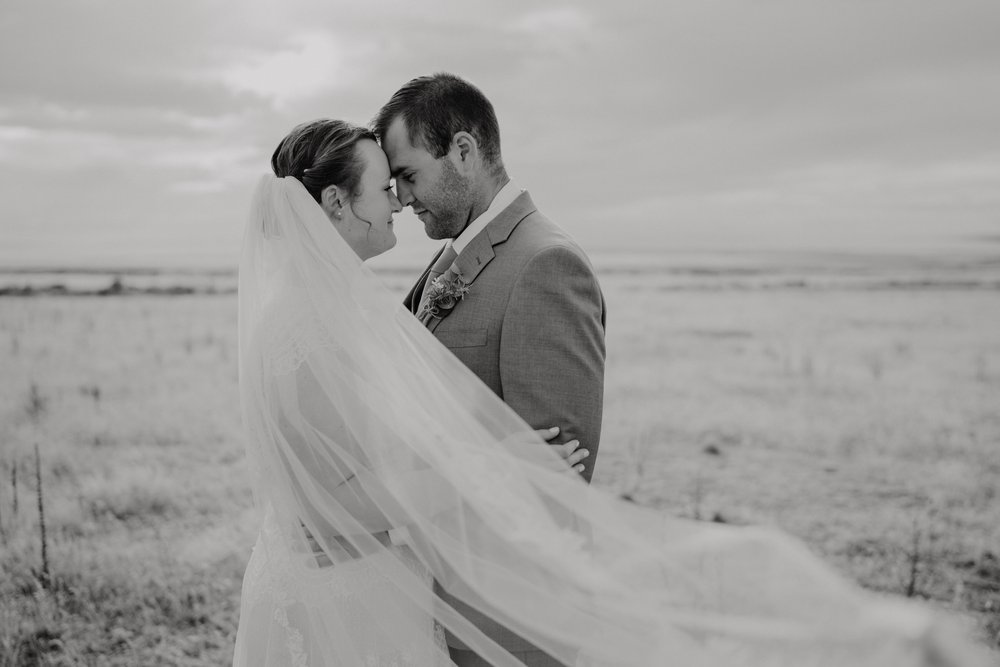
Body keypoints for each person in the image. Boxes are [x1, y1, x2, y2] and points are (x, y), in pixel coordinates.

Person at [232, 118, 987, 666]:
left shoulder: (332, 314)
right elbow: (336, 500)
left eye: (406, 180)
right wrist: (493, 461)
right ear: (333, 205)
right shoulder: (311, 335)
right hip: (346, 598)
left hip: (366, 586)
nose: (397, 200)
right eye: (383, 186)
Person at [373, 73, 606, 666]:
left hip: (505, 619)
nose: (400, 197)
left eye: (409, 174)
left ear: (464, 152)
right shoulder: (451, 254)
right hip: (441, 592)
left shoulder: (546, 264)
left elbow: (555, 477)